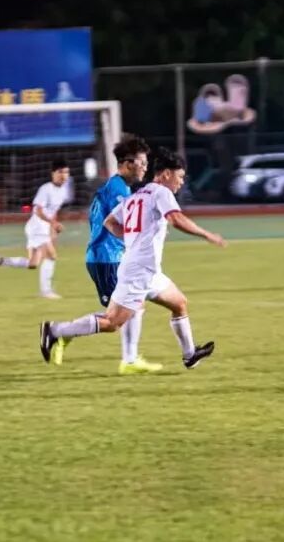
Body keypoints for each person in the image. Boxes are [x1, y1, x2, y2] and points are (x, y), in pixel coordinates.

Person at [40, 147, 226, 373]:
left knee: (179, 303)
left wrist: (133, 238)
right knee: (112, 322)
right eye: (180, 177)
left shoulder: (137, 195)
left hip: (148, 271)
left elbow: (110, 222)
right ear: (166, 174)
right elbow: (176, 219)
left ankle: (189, 355)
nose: (181, 182)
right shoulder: (161, 192)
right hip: (138, 272)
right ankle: (56, 331)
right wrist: (207, 234)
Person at [51, 134, 150, 366]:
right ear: (128, 164)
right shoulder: (118, 191)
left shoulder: (117, 187)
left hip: (110, 257)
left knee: (132, 307)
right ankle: (58, 331)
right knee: (118, 317)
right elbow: (117, 225)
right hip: (107, 259)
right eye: (142, 163)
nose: (145, 168)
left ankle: (130, 360)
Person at [0, 160, 70, 299]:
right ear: (53, 174)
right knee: (51, 256)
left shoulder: (63, 191)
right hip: (37, 227)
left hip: (40, 228)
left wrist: (53, 228)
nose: (63, 175)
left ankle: (0, 261)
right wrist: (53, 223)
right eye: (60, 172)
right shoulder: (46, 189)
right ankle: (46, 291)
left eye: (66, 172)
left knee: (33, 263)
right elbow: (38, 211)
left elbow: (53, 211)